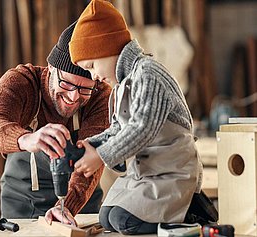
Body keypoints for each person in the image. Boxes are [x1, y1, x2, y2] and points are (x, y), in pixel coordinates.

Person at [69, 0, 214, 234]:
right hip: (146, 173)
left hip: (170, 172)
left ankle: (190, 210)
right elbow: (118, 129)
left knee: (124, 221)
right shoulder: (122, 85)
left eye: (92, 65)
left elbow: (142, 128)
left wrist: (102, 155)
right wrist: (92, 145)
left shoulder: (148, 73)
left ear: (107, 47)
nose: (94, 76)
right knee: (107, 217)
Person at [0, 21, 111, 225]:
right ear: (51, 67)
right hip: (22, 200)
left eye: (84, 89)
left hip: (80, 204)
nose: (73, 97)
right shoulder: (21, 82)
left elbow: (94, 154)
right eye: (66, 83)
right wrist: (26, 139)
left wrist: (67, 207)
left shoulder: (100, 95)